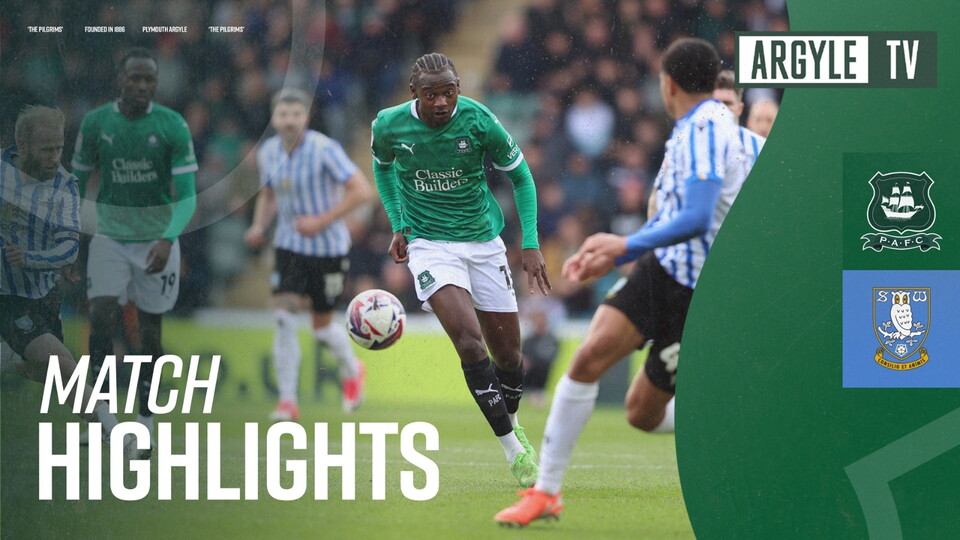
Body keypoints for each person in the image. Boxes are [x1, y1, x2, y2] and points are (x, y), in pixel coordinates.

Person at [495, 37, 750, 525]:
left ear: (668, 84)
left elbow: (698, 217)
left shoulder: (705, 130)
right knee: (588, 358)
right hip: (663, 270)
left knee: (641, 413)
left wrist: (623, 244)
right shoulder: (698, 126)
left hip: (700, 294)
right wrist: (625, 253)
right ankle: (546, 493)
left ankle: (730, 430)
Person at [371, 52, 551, 487]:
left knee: (509, 356)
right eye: (431, 94)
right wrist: (398, 223)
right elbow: (383, 169)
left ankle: (512, 424)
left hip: (484, 244)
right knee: (470, 342)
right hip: (429, 246)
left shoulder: (479, 120)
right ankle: (513, 451)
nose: (441, 102)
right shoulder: (388, 125)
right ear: (414, 93)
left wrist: (530, 243)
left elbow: (522, 177)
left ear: (458, 90)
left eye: (449, 92)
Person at [71, 48, 198, 459]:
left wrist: (167, 239)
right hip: (109, 236)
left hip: (156, 239)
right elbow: (75, 185)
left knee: (150, 334)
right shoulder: (96, 123)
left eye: (149, 80)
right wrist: (69, 240)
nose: (142, 86)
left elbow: (188, 197)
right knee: (101, 316)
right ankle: (101, 417)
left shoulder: (172, 125)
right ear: (120, 80)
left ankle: (145, 420)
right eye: (135, 78)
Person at [1, 105, 132, 457]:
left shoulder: (64, 186)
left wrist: (32, 258)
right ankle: (115, 432)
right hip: (6, 293)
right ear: (22, 144)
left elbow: (68, 248)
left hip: (40, 294)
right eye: (46, 149)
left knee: (46, 370)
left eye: (59, 148)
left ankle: (7, 359)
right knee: (60, 360)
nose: (54, 156)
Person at [245, 88, 373, 420]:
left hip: (328, 249)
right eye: (283, 114)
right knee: (283, 318)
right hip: (289, 246)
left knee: (321, 329)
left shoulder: (324, 149)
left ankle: (352, 369)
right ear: (274, 118)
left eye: (295, 114)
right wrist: (259, 226)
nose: (289, 121)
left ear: (306, 117)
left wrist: (321, 221)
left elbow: (362, 190)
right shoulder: (268, 152)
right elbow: (269, 196)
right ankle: (287, 402)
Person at [713, 69, 766, 170]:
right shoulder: (692, 146)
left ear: (739, 109)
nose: (721, 109)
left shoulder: (761, 148)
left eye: (727, 103)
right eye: (716, 103)